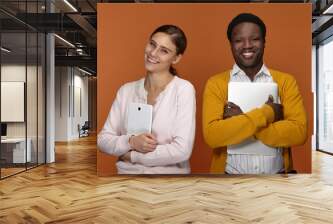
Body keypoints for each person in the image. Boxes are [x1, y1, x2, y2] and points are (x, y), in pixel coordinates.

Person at [202, 13, 307, 174]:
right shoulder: (216, 83)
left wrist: (241, 121)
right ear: (231, 44)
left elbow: (299, 133)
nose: (247, 45)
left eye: (255, 39)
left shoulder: (286, 82)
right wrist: (268, 113)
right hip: (229, 181)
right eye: (239, 40)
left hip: (277, 182)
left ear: (264, 42)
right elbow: (213, 136)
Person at [98, 25, 196, 174]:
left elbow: (181, 150)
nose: (153, 53)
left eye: (164, 51)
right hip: (126, 182)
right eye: (152, 44)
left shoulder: (183, 90)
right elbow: (103, 140)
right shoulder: (126, 91)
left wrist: (132, 156)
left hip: (170, 185)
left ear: (176, 58)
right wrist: (130, 141)